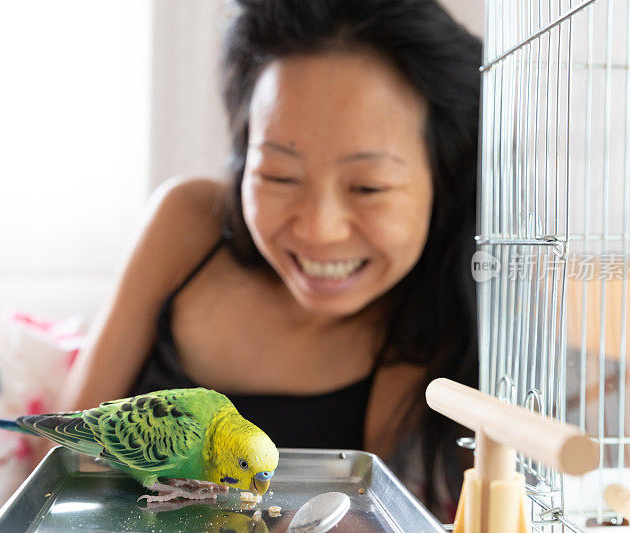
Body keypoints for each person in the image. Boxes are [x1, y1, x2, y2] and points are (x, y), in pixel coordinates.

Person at [48, 0, 481, 520]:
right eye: (278, 175)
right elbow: (60, 457)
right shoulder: (187, 225)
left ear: (445, 177)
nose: (319, 229)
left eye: (368, 186)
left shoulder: (440, 327)